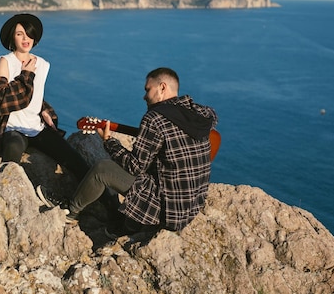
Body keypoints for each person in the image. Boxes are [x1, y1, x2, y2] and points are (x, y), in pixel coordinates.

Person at [37, 67, 218, 237]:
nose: (144, 96)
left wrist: (108, 141)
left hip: (168, 210)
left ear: (162, 87)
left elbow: (135, 167)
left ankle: (70, 210)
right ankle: (131, 224)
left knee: (102, 169)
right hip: (191, 206)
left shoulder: (154, 119)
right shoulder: (203, 113)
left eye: (148, 89)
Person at [0, 13, 89, 181]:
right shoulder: (5, 62)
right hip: (12, 128)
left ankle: (106, 204)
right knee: (11, 158)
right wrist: (26, 74)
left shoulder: (43, 64)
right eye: (19, 34)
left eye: (28, 33)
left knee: (75, 160)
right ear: (12, 38)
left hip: (36, 127)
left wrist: (43, 110)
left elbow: (35, 95)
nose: (25, 38)